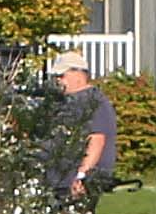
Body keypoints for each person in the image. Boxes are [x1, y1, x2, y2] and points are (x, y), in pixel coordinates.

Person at [48, 53, 121, 205]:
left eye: (62, 75)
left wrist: (82, 175)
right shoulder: (67, 101)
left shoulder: (93, 102)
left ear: (79, 75)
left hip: (78, 183)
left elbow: (96, 140)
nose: (58, 80)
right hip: (60, 180)